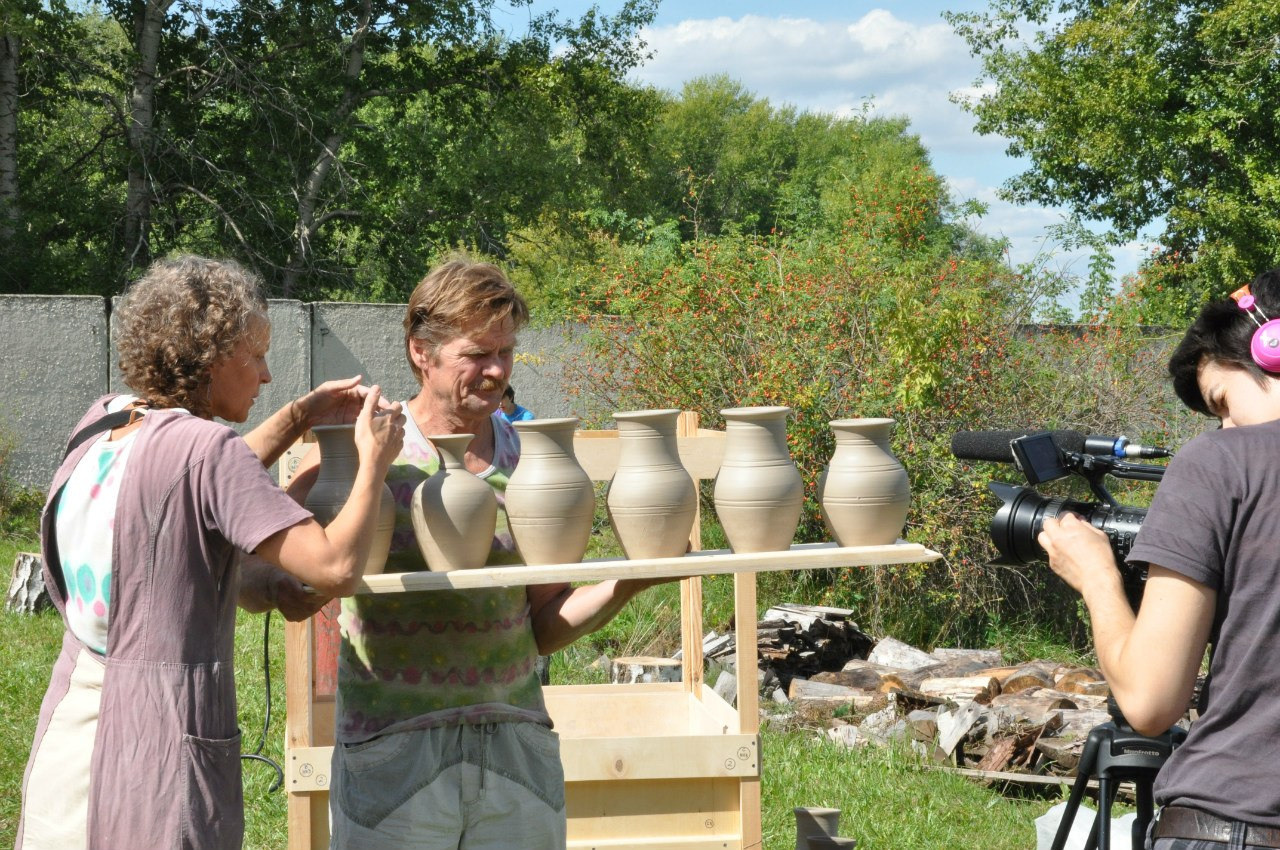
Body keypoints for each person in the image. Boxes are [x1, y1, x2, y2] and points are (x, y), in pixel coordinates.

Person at [16, 255, 405, 850]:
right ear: (214, 358)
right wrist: (373, 461)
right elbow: (336, 566)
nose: (267, 375)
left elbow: (197, 481)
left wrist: (303, 416)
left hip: (74, 735)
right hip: (154, 746)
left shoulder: (104, 421)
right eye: (256, 356)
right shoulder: (205, 451)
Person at [287, 258, 667, 849]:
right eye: (476, 354)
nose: (495, 371)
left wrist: (624, 586)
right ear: (421, 351)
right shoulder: (369, 447)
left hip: (514, 744)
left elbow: (540, 625)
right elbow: (277, 549)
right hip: (394, 749)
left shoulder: (530, 459)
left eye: (506, 353)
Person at [1038, 267, 1280, 849]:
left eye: (1222, 402)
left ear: (1272, 350)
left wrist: (1095, 575)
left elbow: (1149, 701)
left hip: (1235, 821)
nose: (1225, 426)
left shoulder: (1221, 462)